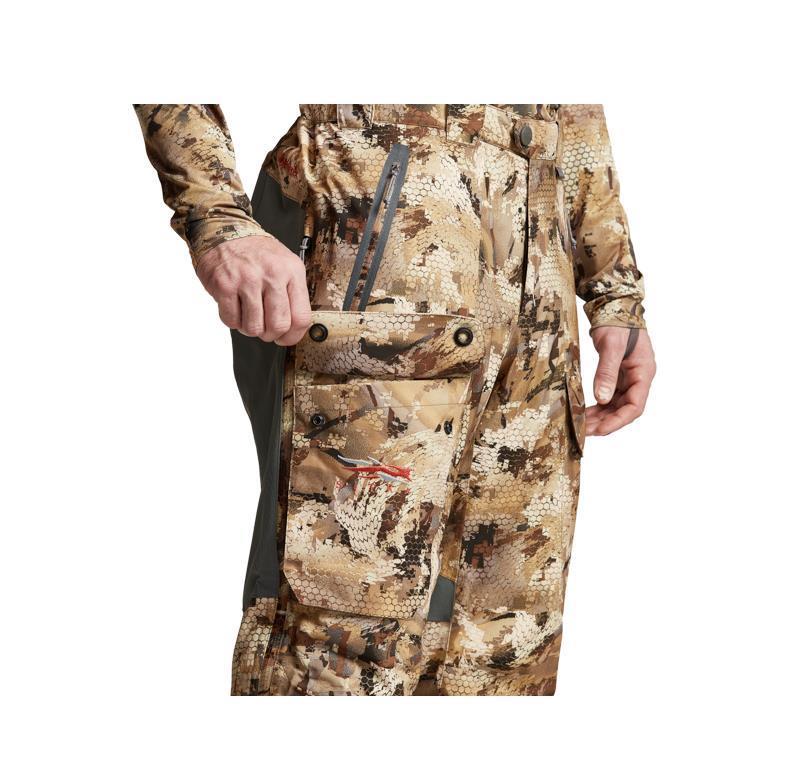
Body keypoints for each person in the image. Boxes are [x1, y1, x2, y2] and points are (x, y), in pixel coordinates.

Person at [134, 104, 656, 696]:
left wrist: (614, 290)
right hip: (388, 233)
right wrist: (218, 217)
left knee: (505, 645)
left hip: (543, 273)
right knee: (343, 638)